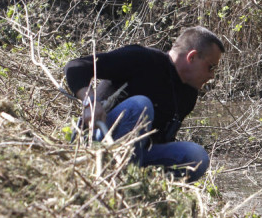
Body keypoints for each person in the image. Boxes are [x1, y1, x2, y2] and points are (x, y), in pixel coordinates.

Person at [64, 27, 224, 182]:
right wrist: (90, 102)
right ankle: (119, 182)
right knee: (140, 105)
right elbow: (76, 67)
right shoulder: (141, 58)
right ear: (192, 57)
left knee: (197, 157)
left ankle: (139, 187)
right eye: (211, 67)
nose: (212, 76)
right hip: (96, 145)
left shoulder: (188, 94)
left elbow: (162, 140)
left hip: (138, 156)